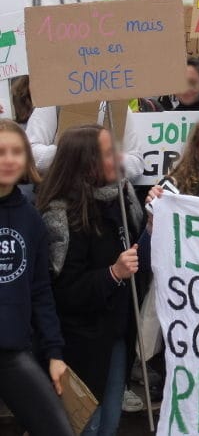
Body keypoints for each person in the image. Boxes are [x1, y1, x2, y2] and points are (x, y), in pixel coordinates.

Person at [39, 124, 146, 436]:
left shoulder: (123, 198)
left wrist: (151, 227)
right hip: (79, 343)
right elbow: (63, 292)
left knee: (108, 424)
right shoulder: (61, 214)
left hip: (116, 334)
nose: (119, 158)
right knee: (86, 424)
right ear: (86, 162)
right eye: (109, 153)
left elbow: (141, 260)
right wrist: (112, 274)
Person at [0, 120, 72, 436]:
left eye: (17, 152)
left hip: (13, 352)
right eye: (0, 152)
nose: (9, 159)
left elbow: (41, 291)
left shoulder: (30, 217)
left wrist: (55, 354)